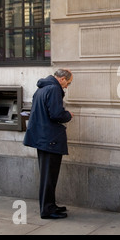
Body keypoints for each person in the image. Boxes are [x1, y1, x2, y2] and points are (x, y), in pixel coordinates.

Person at [23, 69, 74, 219]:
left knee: (48, 176)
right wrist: (68, 115)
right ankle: (47, 210)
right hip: (50, 139)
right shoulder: (53, 89)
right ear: (63, 79)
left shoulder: (42, 88)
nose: (66, 87)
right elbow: (56, 114)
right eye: (68, 84)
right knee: (49, 177)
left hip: (43, 139)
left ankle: (50, 205)